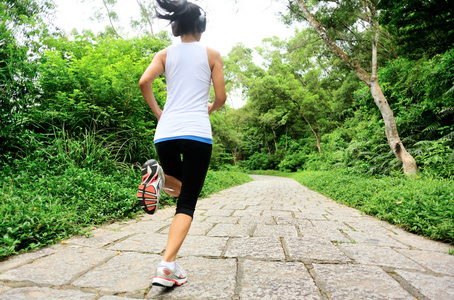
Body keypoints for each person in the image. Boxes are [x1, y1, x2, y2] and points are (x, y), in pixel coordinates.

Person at [137, 0, 226, 288]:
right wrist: (208, 108)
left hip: (166, 133)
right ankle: (167, 266)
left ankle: (158, 180)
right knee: (187, 201)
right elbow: (221, 98)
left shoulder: (163, 54)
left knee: (177, 190)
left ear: (175, 27)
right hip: (197, 133)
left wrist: (158, 112)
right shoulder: (212, 54)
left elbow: (144, 82)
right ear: (200, 27)